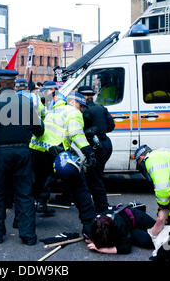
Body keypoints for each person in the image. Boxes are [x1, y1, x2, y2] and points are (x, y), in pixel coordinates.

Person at [0, 69, 44, 245]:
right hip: (22, 152)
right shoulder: (26, 103)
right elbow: (40, 130)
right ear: (14, 84)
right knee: (24, 194)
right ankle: (28, 235)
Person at [29, 91, 97, 237]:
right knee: (79, 187)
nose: (82, 109)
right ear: (74, 102)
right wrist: (88, 152)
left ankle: (22, 221)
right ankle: (89, 224)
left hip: (37, 150)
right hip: (57, 152)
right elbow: (76, 133)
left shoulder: (52, 109)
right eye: (81, 106)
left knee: (34, 187)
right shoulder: (73, 112)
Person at [78, 85, 115, 213]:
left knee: (95, 178)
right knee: (96, 175)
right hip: (106, 144)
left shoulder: (84, 111)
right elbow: (111, 126)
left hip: (95, 145)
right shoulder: (101, 108)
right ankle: (99, 205)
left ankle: (102, 207)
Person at [86, 206, 156, 255]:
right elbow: (86, 234)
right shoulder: (91, 226)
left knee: (149, 240)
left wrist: (100, 249)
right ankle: (128, 236)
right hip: (128, 227)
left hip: (137, 217)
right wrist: (94, 240)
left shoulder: (119, 225)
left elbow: (125, 248)